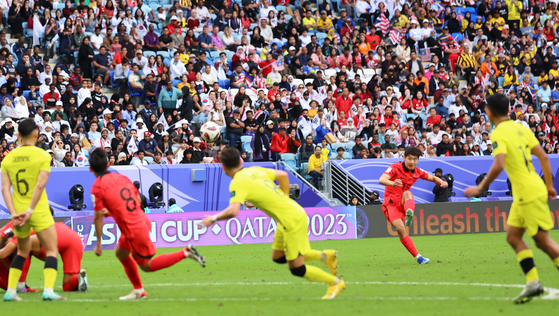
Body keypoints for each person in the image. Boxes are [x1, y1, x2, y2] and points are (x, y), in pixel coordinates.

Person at [198, 148, 344, 300]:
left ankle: (335, 282)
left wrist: (213, 219)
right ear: (240, 161)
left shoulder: (237, 182)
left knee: (296, 268)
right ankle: (326, 256)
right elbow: (283, 174)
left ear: (223, 166)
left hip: (292, 219)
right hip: (289, 216)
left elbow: (233, 211)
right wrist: (285, 198)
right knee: (278, 257)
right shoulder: (254, 170)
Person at [464, 94, 559, 304]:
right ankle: (533, 283)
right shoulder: (522, 128)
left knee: (543, 242)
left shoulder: (498, 133)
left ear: (488, 112)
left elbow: (499, 164)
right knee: (513, 237)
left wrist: (479, 187)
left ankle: (534, 283)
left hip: (526, 192)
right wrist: (549, 186)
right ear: (508, 108)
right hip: (528, 189)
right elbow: (543, 156)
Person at [90, 148, 206, 300]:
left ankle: (185, 252)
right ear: (107, 164)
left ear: (91, 169)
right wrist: (113, 211)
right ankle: (138, 290)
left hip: (133, 229)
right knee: (121, 253)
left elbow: (98, 217)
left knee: (147, 266)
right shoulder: (122, 178)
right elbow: (137, 200)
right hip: (140, 219)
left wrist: (98, 244)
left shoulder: (97, 187)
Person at [1, 119, 65, 301]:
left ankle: (11, 291)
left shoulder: (8, 158)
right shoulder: (43, 156)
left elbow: (5, 189)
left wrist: (13, 213)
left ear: (18, 135)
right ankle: (48, 290)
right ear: (37, 134)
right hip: (38, 210)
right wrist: (30, 210)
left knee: (21, 251)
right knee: (52, 250)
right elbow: (39, 185)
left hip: (18, 212)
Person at [378, 146, 448, 265]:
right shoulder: (395, 167)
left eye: (415, 159)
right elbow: (382, 179)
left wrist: (442, 182)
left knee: (407, 193)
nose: (412, 162)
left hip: (403, 201)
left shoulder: (417, 171)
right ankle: (418, 257)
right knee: (400, 230)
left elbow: (431, 177)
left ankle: (409, 212)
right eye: (409, 159)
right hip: (390, 204)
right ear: (404, 157)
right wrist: (393, 183)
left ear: (418, 160)